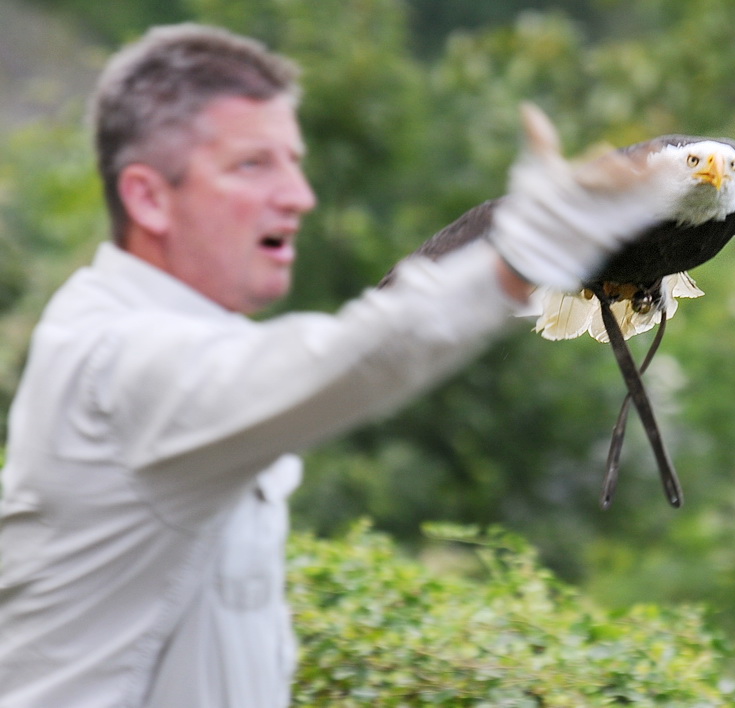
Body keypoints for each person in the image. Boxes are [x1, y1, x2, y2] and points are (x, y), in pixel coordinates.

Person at [0, 23, 670, 707]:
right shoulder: (121, 358)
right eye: (252, 165)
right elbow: (350, 363)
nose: (299, 195)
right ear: (147, 197)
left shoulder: (163, 340)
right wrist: (523, 257)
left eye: (294, 161)